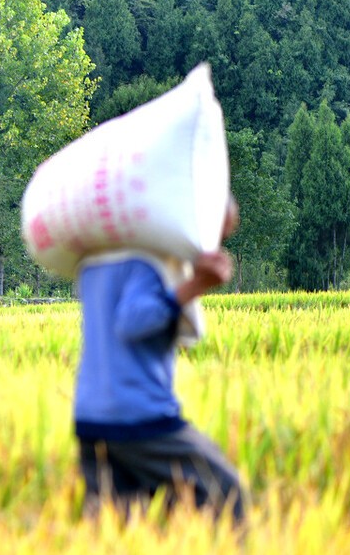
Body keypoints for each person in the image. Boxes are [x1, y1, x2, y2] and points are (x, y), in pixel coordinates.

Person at [74, 197, 244, 525]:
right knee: (226, 493)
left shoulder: (96, 259)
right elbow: (132, 322)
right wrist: (196, 285)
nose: (215, 249)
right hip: (138, 417)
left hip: (90, 417)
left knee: (118, 527)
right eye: (216, 237)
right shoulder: (150, 260)